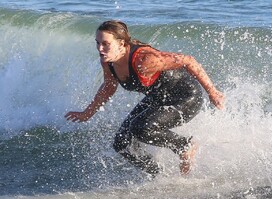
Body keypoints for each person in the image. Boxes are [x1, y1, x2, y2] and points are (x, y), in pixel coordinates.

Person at [65, 20, 224, 176]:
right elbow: (108, 87)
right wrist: (88, 112)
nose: (100, 48)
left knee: (141, 127)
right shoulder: (108, 61)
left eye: (105, 43)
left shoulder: (145, 60)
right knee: (122, 144)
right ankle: (158, 175)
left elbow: (188, 60)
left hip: (186, 97)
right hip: (159, 97)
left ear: (122, 44)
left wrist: (212, 92)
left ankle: (185, 146)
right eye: (97, 43)